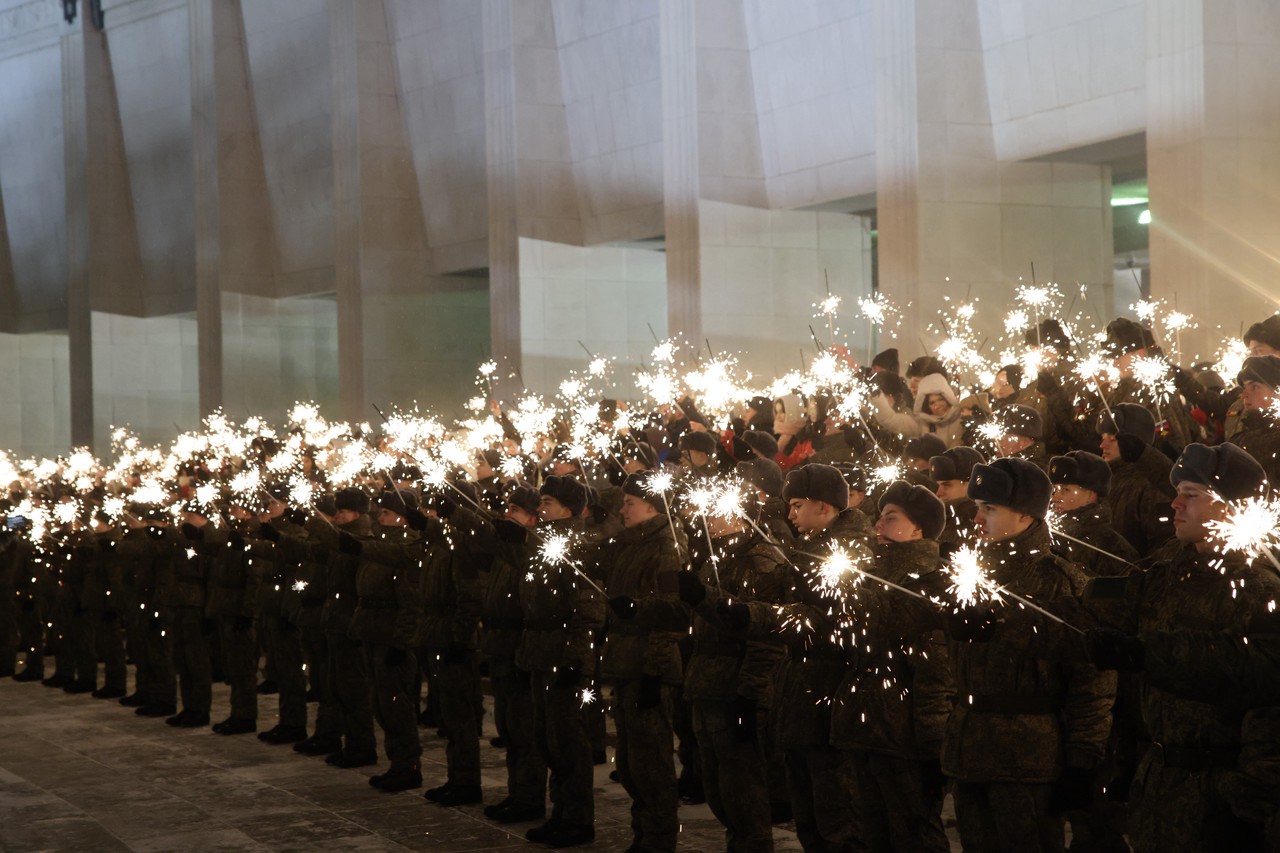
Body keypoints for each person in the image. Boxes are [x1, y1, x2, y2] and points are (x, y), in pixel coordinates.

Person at [1085, 443, 1280, 852]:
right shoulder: (1168, 569)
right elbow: (1101, 619)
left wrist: (1250, 802)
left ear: (1232, 507)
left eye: (1191, 494)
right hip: (1160, 785)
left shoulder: (1258, 587)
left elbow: (1263, 693)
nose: (1174, 503)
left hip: (1220, 800)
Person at [944, 457, 1115, 853]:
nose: (977, 519)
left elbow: (1093, 679)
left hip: (1028, 757)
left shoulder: (1056, 580)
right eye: (977, 508)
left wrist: (1082, 759)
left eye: (989, 508)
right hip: (969, 751)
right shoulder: (969, 574)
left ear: (1024, 516)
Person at [832, 480, 953, 853]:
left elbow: (935, 675)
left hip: (904, 739)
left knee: (914, 835)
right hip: (867, 729)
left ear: (919, 528)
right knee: (873, 833)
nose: (878, 527)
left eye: (891, 518)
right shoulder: (875, 575)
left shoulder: (930, 581)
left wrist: (933, 749)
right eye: (879, 518)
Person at [601, 472, 684, 853]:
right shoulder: (630, 543)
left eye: (630, 502)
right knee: (632, 763)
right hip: (624, 663)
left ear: (651, 506)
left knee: (652, 764)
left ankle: (659, 840)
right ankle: (643, 835)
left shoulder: (666, 546)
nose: (623, 508)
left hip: (648, 665)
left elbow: (672, 614)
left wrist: (655, 669)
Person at [1046, 451, 1138, 578]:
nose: (1055, 497)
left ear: (1091, 495)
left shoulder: (1111, 548)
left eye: (1065, 490)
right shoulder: (1046, 533)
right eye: (1054, 489)